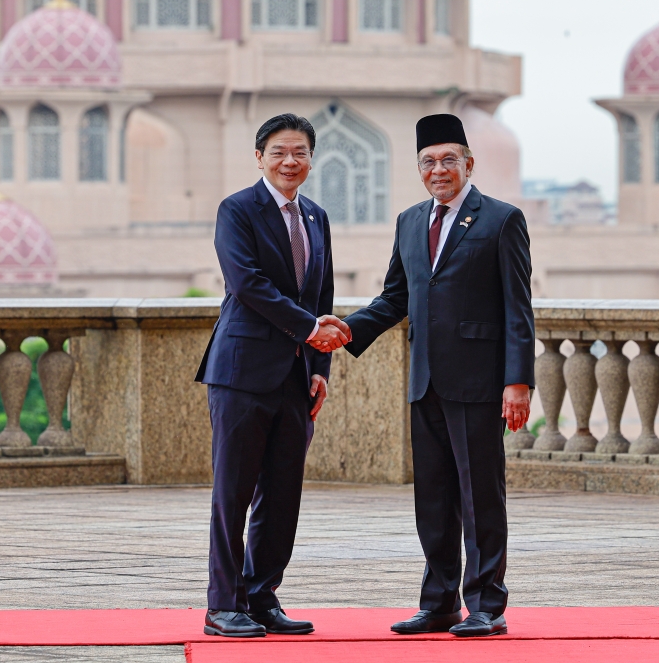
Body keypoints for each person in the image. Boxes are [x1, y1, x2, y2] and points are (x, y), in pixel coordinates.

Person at [336, 114, 535, 637]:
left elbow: (518, 308)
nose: (438, 169)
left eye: (449, 160)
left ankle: (487, 605)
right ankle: (440, 602)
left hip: (479, 382)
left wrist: (517, 382)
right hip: (424, 380)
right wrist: (347, 329)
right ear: (419, 169)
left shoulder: (501, 220)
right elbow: (395, 298)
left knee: (480, 497)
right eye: (429, 161)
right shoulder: (409, 221)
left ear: (469, 164)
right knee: (434, 498)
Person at [195, 113, 352, 638]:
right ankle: (223, 604)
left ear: (311, 159)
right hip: (241, 371)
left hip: (297, 374)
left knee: (283, 494)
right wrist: (309, 330)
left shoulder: (316, 217)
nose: (290, 161)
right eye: (280, 152)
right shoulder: (237, 209)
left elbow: (321, 294)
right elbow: (247, 283)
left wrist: (321, 366)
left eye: (300, 152)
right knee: (234, 492)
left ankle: (262, 597)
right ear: (260, 157)